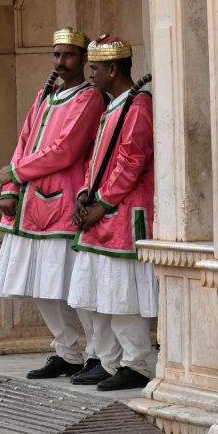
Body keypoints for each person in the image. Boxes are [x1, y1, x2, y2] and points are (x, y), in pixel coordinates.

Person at [0, 27, 106, 380]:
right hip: (32, 205)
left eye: (69, 55)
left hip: (63, 201)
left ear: (83, 59)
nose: (61, 62)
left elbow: (66, 150)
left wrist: (15, 171)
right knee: (44, 286)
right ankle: (66, 351)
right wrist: (11, 186)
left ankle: (100, 355)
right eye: (57, 54)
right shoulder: (46, 94)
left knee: (76, 285)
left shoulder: (89, 98)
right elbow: (25, 139)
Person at [68, 35, 158, 391]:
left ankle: (136, 362)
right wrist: (84, 194)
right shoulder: (115, 105)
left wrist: (102, 203)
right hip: (103, 211)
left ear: (112, 69)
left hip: (122, 211)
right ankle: (110, 360)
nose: (91, 74)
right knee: (96, 293)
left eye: (95, 67)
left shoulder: (138, 106)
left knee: (121, 294)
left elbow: (132, 162)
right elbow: (97, 159)